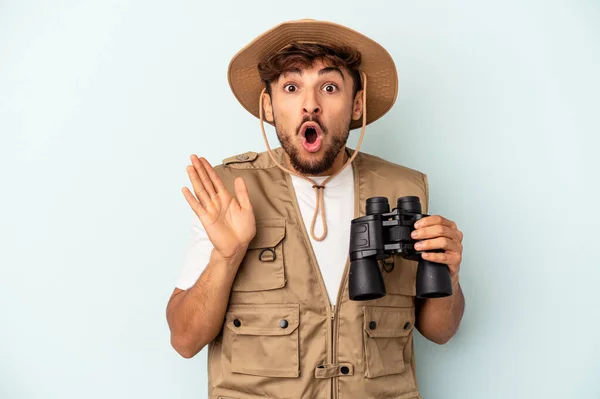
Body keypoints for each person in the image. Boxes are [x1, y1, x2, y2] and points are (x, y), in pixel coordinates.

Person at [166, 19, 465, 399]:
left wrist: (450, 276)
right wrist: (227, 256)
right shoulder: (227, 193)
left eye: (329, 87)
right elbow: (184, 340)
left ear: (356, 104)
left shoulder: (403, 190)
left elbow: (440, 331)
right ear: (269, 106)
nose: (311, 104)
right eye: (291, 88)